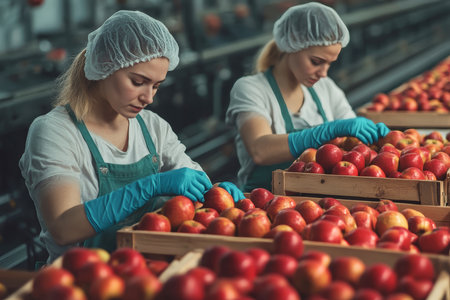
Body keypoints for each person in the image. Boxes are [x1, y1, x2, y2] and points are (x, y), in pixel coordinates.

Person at [19, 10, 244, 263]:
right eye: (138, 82)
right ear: (105, 64)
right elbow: (63, 227)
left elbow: (194, 184)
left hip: (150, 270)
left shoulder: (152, 127)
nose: (149, 98)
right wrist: (151, 186)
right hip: (82, 279)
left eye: (156, 86)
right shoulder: (56, 132)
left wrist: (216, 193)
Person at [226, 2, 390, 192]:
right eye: (316, 62)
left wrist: (377, 141)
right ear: (293, 43)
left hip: (320, 203)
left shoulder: (325, 88)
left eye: (329, 64)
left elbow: (352, 142)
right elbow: (260, 150)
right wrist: (326, 131)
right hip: (264, 204)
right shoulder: (251, 88)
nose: (323, 73)